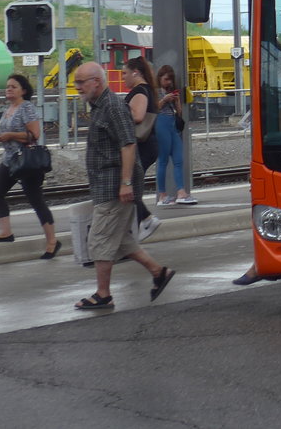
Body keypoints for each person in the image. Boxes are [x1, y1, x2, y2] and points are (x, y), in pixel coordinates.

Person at [72, 61, 175, 310]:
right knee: (118, 240)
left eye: (81, 82)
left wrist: (126, 183)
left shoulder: (112, 106)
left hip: (114, 184)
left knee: (99, 239)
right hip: (106, 184)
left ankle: (103, 294)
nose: (77, 88)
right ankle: (158, 272)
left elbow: (128, 144)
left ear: (96, 81)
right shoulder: (99, 105)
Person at [0, 73, 60, 258]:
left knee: (36, 200)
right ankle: (6, 233)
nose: (8, 89)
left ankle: (52, 241)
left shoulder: (26, 107)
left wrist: (10, 135)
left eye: (13, 86)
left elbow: (34, 134)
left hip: (26, 160)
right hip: (10, 159)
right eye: (7, 86)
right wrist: (1, 138)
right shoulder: (9, 108)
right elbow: (8, 133)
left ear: (23, 91)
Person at [123, 56, 161, 239]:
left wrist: (120, 110)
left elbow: (138, 116)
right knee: (130, 186)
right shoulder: (147, 90)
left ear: (135, 72)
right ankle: (140, 222)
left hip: (142, 145)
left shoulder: (140, 91)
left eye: (125, 73)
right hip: (148, 144)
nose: (122, 77)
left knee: (128, 186)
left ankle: (145, 219)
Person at [155, 64, 196, 205]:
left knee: (179, 160)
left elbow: (179, 113)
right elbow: (154, 109)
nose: (169, 83)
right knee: (163, 160)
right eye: (166, 79)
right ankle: (162, 195)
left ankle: (181, 192)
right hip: (161, 125)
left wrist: (177, 101)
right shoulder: (155, 92)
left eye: (170, 80)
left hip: (172, 126)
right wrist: (164, 99)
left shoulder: (170, 92)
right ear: (160, 78)